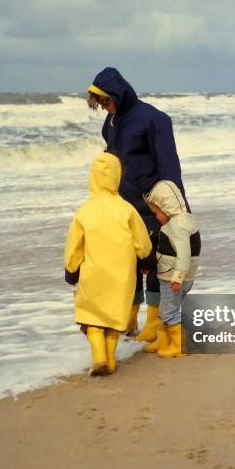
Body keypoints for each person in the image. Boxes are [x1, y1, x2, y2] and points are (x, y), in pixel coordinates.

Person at [87, 67, 188, 342]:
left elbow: (169, 167)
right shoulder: (110, 123)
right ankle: (129, 318)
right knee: (127, 263)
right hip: (124, 206)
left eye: (107, 101)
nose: (105, 108)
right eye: (101, 104)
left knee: (157, 264)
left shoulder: (154, 120)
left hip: (153, 206)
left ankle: (155, 321)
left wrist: (173, 210)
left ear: (119, 94)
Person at [64, 151, 152, 375]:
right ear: (117, 177)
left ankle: (99, 357)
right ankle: (110, 360)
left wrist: (71, 270)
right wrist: (145, 260)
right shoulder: (126, 209)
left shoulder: (85, 210)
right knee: (114, 319)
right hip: (121, 275)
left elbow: (74, 246)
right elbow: (142, 242)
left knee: (92, 317)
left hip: (92, 274)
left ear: (92, 176)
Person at [143, 180, 201, 358]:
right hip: (178, 276)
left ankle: (179, 345)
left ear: (167, 207)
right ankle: (164, 340)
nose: (157, 217)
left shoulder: (177, 226)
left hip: (173, 279)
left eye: (157, 212)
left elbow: (184, 255)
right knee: (165, 308)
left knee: (170, 311)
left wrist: (177, 278)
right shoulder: (186, 220)